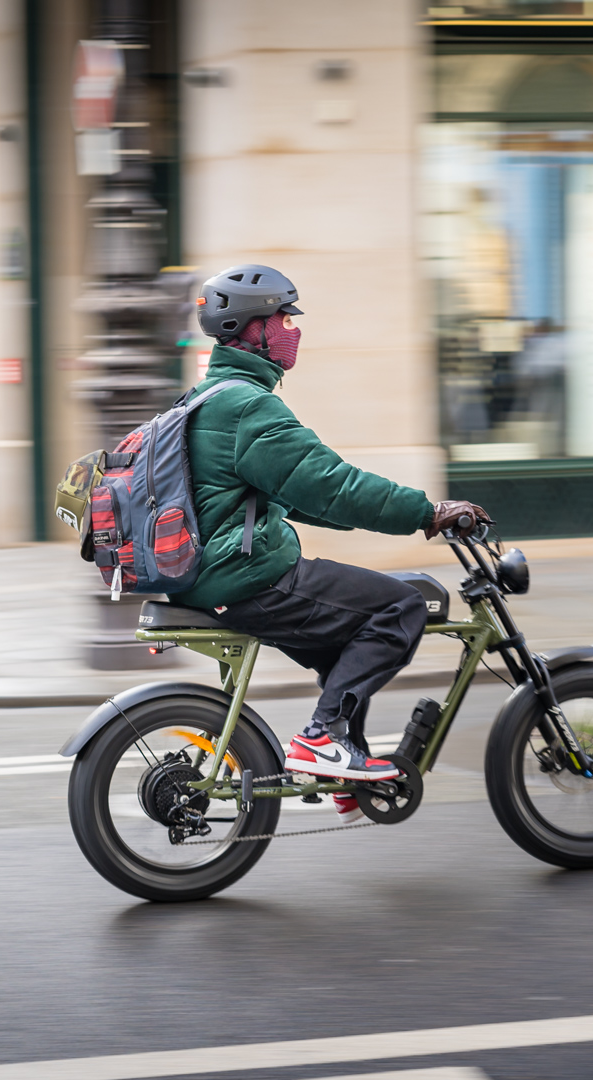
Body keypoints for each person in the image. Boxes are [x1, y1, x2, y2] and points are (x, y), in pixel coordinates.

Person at [171, 264, 490, 823]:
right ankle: (322, 739)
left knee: (351, 638)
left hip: (212, 574)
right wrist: (427, 512)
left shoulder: (204, 397)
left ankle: (348, 759)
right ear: (251, 328)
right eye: (283, 317)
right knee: (400, 605)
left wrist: (357, 513)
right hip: (246, 577)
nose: (293, 329)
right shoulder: (249, 406)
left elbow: (288, 494)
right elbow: (334, 485)